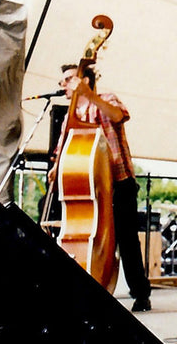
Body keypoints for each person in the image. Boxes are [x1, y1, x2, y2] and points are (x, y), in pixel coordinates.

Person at [51, 62, 152, 312]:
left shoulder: (105, 98)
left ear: (84, 79)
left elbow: (118, 116)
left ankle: (140, 294)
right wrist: (56, 166)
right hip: (90, 187)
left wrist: (90, 96)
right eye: (63, 81)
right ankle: (92, 284)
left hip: (120, 181)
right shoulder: (69, 115)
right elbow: (62, 151)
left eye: (69, 79)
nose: (64, 85)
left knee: (127, 240)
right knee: (91, 236)